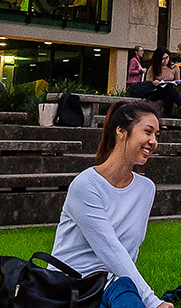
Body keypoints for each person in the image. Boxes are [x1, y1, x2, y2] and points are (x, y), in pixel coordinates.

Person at [51, 101, 173, 308]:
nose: (153, 141)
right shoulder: (86, 185)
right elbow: (110, 249)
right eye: (148, 132)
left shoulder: (146, 189)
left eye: (157, 136)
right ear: (121, 132)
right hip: (72, 287)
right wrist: (152, 301)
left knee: (126, 294)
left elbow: (130, 252)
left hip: (113, 285)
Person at [144, 47, 181, 117]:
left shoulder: (175, 67)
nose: (165, 61)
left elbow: (177, 82)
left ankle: (165, 119)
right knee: (168, 88)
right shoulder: (153, 68)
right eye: (163, 59)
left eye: (167, 58)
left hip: (169, 90)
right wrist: (154, 83)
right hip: (157, 91)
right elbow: (147, 83)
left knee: (169, 92)